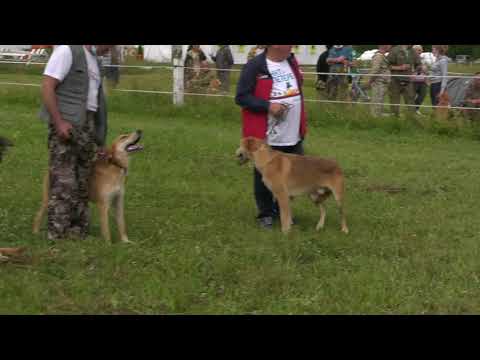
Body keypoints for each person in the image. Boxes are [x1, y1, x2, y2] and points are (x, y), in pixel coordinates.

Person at [39, 45, 113, 241]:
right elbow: (47, 85)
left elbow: (96, 104)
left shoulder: (95, 61)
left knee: (83, 179)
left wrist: (100, 141)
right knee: (64, 180)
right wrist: (59, 122)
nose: (110, 50)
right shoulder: (67, 51)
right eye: (110, 45)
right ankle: (58, 232)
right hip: (66, 122)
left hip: (87, 124)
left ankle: (78, 231)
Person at [235, 45, 307, 229]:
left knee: (290, 174)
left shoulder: (291, 61)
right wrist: (268, 106)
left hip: (292, 131)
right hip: (265, 134)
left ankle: (282, 211)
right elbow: (241, 97)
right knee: (264, 175)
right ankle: (265, 213)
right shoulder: (254, 66)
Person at [387, 45, 422, 117]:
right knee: (394, 101)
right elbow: (387, 65)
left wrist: (416, 71)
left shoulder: (413, 51)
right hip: (395, 80)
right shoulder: (394, 50)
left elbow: (418, 64)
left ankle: (412, 119)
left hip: (408, 80)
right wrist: (399, 67)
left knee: (410, 100)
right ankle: (394, 119)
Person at [367, 45, 392, 117]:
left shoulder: (382, 56)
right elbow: (375, 70)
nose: (390, 46)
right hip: (378, 82)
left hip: (382, 82)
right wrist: (370, 81)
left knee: (380, 100)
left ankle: (378, 115)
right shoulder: (378, 56)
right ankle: (375, 117)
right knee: (376, 99)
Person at [411, 45, 428, 115]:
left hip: (422, 80)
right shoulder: (410, 59)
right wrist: (419, 68)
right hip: (414, 80)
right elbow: (411, 70)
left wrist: (426, 71)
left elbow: (426, 69)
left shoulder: (423, 59)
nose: (421, 51)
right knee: (412, 96)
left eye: (421, 50)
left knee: (422, 95)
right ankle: (411, 110)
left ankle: (416, 109)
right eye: (419, 50)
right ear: (415, 51)